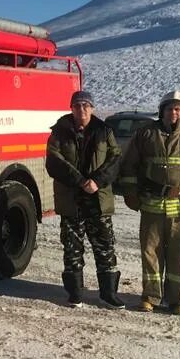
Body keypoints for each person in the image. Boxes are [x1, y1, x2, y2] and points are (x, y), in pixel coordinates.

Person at [119, 91, 180, 314]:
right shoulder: (146, 135)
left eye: (178, 109)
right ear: (162, 111)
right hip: (152, 205)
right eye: (169, 108)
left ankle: (178, 300)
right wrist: (130, 192)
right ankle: (150, 297)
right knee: (150, 252)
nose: (173, 113)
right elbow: (129, 166)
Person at [45, 89, 124, 308]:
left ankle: (108, 293)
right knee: (72, 247)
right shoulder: (59, 132)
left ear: (92, 108)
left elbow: (115, 158)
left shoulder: (104, 131)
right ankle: (75, 293)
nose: (82, 109)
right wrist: (80, 181)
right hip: (72, 200)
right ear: (71, 108)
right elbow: (54, 161)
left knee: (105, 246)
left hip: (98, 199)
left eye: (86, 105)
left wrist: (96, 181)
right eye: (77, 105)